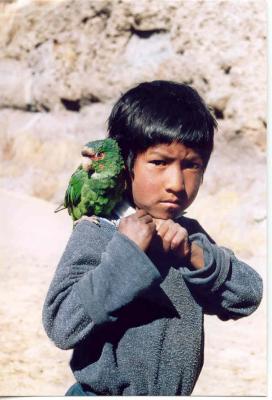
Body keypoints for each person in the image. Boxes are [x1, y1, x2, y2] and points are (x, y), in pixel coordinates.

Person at [42, 80, 263, 396]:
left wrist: (194, 255)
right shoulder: (99, 231)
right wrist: (128, 253)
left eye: (191, 165)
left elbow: (247, 297)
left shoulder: (190, 235)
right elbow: (61, 324)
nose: (176, 182)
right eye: (159, 162)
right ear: (125, 164)